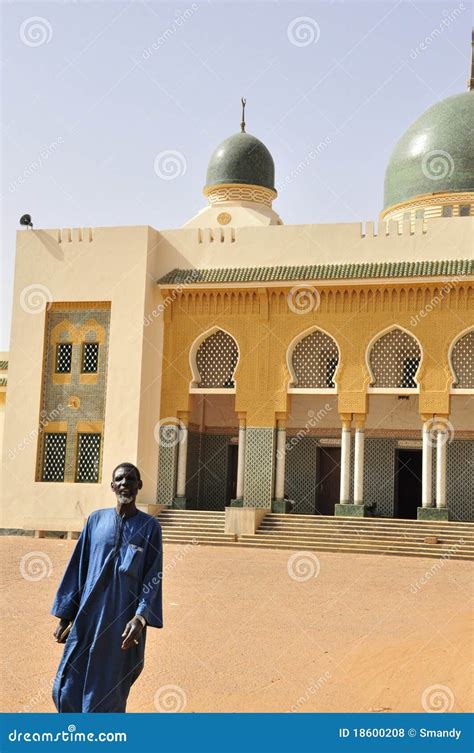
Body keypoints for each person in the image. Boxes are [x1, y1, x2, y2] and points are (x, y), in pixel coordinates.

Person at [51, 463, 163, 712]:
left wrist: (141, 617)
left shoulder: (150, 527)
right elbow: (78, 568)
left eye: (131, 479)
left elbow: (153, 577)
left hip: (121, 622)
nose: (125, 483)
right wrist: (66, 614)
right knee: (67, 684)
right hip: (87, 618)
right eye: (120, 479)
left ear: (139, 485)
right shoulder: (95, 520)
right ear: (112, 486)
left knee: (109, 688)